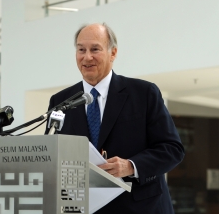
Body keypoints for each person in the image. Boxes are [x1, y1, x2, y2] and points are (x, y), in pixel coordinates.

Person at [45, 23, 185, 214]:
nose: (87, 57)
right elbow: (54, 155)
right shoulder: (60, 101)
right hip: (83, 208)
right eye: (81, 50)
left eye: (95, 49)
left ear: (113, 53)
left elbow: (172, 149)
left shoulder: (143, 93)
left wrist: (131, 166)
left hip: (140, 208)